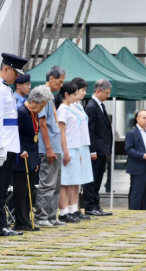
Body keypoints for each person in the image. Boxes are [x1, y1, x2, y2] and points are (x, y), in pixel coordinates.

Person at [0, 53, 28, 237]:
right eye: (15, 73)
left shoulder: (6, 89)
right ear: (6, 69)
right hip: (3, 145)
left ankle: (2, 224)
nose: (17, 77)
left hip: (11, 145)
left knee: (3, 188)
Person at [13, 85, 53, 231]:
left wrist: (35, 160)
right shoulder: (22, 112)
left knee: (29, 191)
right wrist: (21, 150)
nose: (41, 109)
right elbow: (16, 134)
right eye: (41, 105)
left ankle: (27, 219)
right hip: (21, 157)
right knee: (21, 191)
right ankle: (20, 221)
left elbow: (35, 138)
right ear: (34, 102)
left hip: (31, 157)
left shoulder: (33, 113)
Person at [36, 66, 67, 227]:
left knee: (55, 184)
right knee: (47, 183)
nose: (61, 85)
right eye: (60, 82)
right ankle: (41, 216)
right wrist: (48, 147)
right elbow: (42, 123)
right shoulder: (42, 93)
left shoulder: (51, 96)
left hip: (56, 146)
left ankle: (51, 216)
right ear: (51, 78)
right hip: (48, 147)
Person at [84, 79, 114, 217]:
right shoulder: (91, 106)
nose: (108, 96)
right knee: (92, 179)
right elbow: (90, 131)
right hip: (95, 151)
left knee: (98, 178)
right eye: (106, 93)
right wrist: (92, 150)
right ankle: (90, 205)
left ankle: (96, 204)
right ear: (98, 91)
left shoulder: (100, 105)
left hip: (102, 150)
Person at [55, 81, 83, 224]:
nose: (75, 97)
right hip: (67, 147)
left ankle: (71, 208)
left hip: (74, 147)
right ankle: (64, 211)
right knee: (65, 182)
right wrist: (65, 151)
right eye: (73, 95)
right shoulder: (63, 110)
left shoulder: (71, 108)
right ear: (66, 94)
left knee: (72, 181)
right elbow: (62, 132)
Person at [70, 77, 93, 221]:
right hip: (76, 145)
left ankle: (76, 207)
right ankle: (71, 209)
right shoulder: (70, 106)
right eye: (82, 90)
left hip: (83, 143)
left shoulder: (79, 105)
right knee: (73, 179)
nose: (84, 93)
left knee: (79, 179)